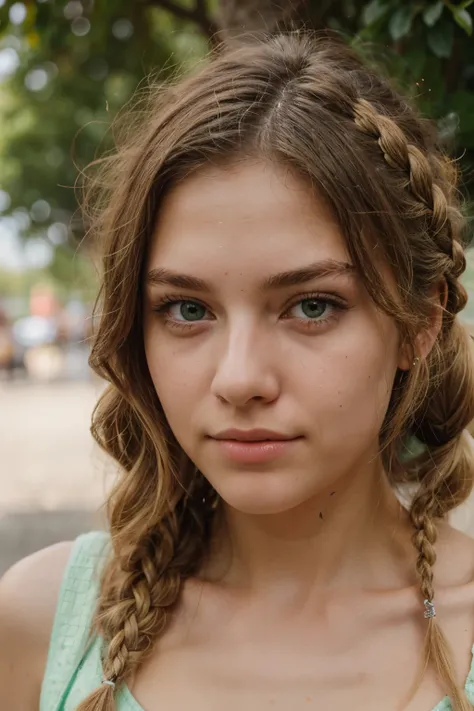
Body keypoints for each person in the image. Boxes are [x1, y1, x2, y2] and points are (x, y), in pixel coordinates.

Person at [1, 29, 474, 711]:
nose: (240, 377)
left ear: (420, 321)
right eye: (187, 309)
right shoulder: (44, 628)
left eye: (312, 305)